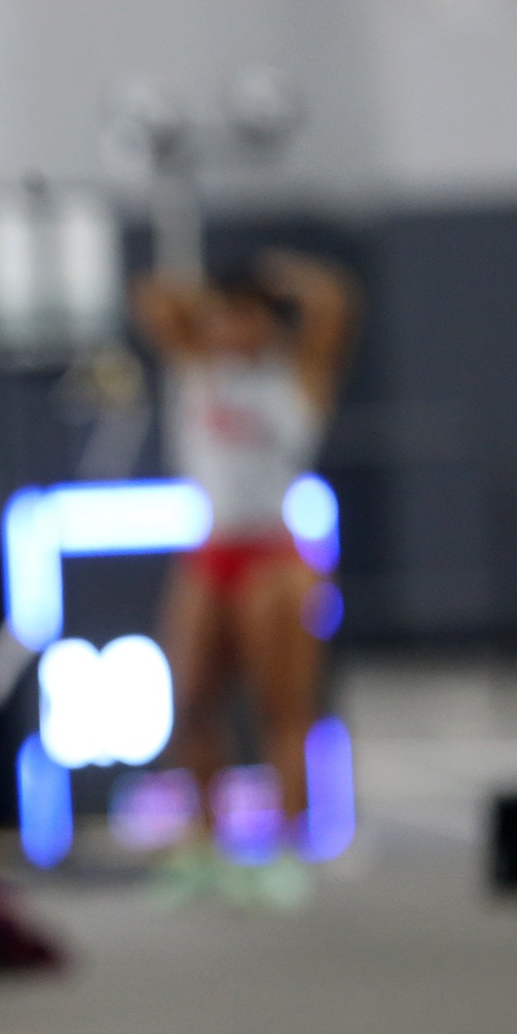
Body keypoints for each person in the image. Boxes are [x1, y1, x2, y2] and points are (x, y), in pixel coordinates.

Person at [133, 249, 356, 909]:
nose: (235, 330)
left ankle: (285, 850)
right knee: (192, 699)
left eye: (248, 319)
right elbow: (151, 298)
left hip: (274, 554)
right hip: (211, 553)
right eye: (227, 318)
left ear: (269, 324)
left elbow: (335, 303)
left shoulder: (297, 378)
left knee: (281, 706)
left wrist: (284, 279)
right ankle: (203, 841)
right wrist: (215, 310)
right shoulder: (198, 367)